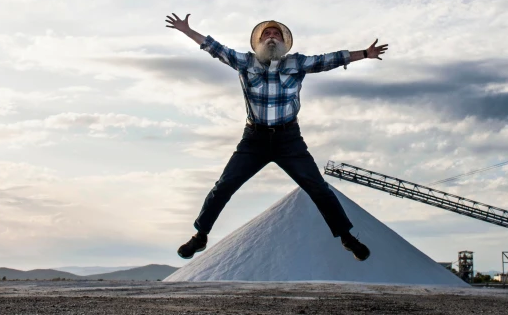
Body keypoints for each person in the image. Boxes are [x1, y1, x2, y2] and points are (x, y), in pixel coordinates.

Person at [165, 14, 388, 261]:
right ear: (259, 42)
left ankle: (346, 237)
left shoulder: (297, 63)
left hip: (288, 140)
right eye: (267, 34)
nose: (272, 37)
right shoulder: (245, 62)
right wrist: (187, 30)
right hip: (254, 140)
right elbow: (214, 48)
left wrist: (365, 54)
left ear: (283, 43)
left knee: (318, 187)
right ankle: (200, 237)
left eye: (276, 34)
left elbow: (330, 60)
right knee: (224, 185)